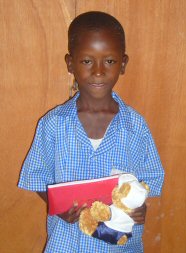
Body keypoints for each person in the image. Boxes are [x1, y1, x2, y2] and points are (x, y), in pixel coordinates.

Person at [18, 11, 164, 253]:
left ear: (123, 63)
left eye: (109, 61)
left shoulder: (136, 127)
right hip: (67, 243)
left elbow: (150, 178)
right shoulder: (53, 124)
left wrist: (140, 207)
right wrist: (57, 206)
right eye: (87, 61)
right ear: (70, 63)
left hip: (119, 246)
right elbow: (36, 175)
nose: (98, 71)